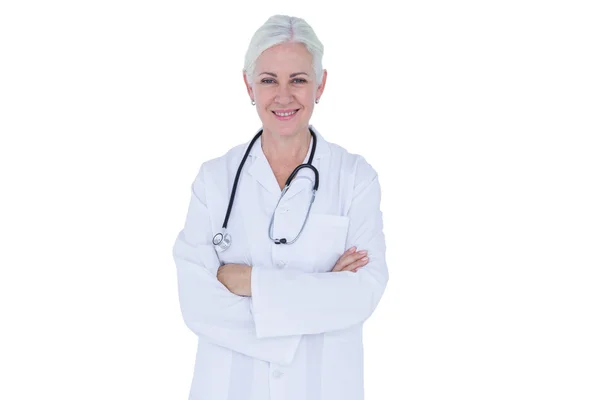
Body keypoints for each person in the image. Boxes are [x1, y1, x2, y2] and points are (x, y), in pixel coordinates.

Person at [172, 14, 389, 400]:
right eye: (269, 79)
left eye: (299, 80)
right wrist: (322, 293)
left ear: (320, 85)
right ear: (248, 85)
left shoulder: (355, 178)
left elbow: (363, 293)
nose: (284, 96)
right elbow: (197, 303)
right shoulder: (214, 180)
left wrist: (248, 282)